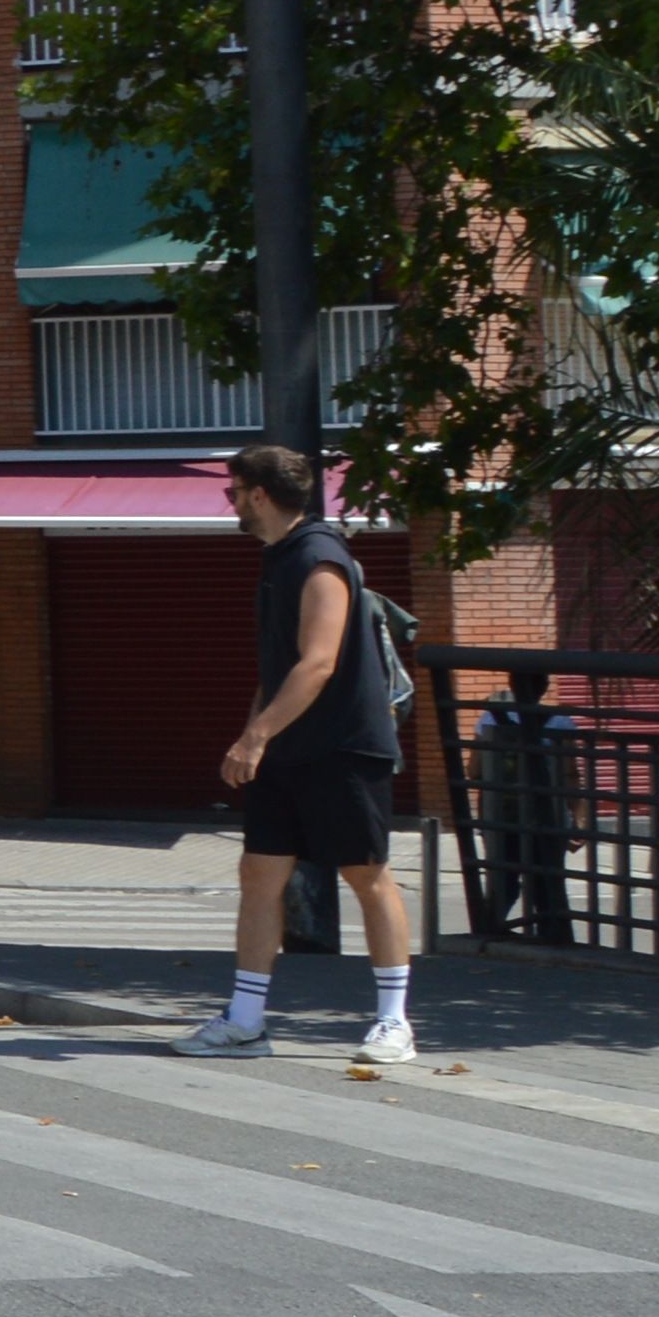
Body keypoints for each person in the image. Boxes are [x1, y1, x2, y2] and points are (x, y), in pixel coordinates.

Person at [190, 441, 421, 1063]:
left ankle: (394, 1024)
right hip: (287, 752)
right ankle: (245, 1021)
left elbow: (318, 663)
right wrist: (253, 736)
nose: (230, 502)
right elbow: (279, 668)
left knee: (367, 876)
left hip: (344, 747)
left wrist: (255, 736)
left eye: (232, 492)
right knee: (259, 875)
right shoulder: (278, 558)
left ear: (258, 494)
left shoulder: (319, 558)